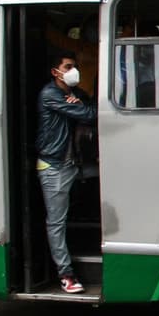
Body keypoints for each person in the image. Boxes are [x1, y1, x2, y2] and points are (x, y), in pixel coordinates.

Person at [36, 52, 97, 294]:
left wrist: (81, 103)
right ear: (56, 72)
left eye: (75, 66)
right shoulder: (50, 95)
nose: (74, 71)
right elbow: (90, 114)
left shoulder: (76, 94)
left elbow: (92, 105)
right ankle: (66, 274)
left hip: (76, 163)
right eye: (69, 67)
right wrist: (81, 107)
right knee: (56, 222)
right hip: (55, 166)